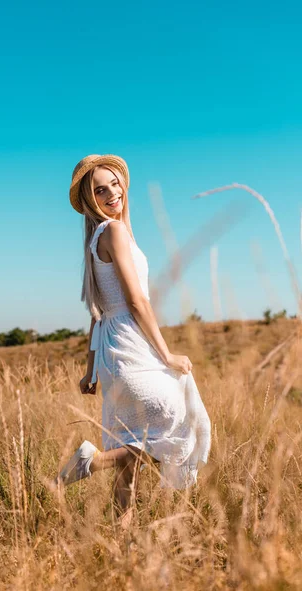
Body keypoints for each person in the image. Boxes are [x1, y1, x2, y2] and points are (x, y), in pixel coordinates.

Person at [55, 153, 211, 526]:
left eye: (114, 183)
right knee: (176, 424)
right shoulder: (113, 232)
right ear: (90, 200)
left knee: (131, 465)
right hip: (130, 346)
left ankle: (122, 548)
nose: (111, 193)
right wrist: (167, 354)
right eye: (100, 189)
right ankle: (93, 461)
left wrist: (90, 370)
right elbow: (136, 301)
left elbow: (97, 313)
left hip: (112, 353)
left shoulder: (96, 239)